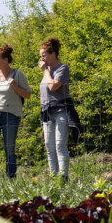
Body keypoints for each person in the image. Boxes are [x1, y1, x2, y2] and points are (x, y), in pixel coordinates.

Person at [0, 44, 31, 178]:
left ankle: (11, 178)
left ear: (6, 60)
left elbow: (27, 94)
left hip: (11, 116)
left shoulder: (17, 74)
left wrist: (14, 86)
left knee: (9, 148)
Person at [38, 37, 71, 181]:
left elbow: (52, 86)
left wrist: (45, 70)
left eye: (44, 55)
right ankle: (53, 178)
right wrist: (42, 124)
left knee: (59, 145)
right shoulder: (48, 71)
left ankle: (63, 178)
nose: (42, 59)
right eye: (41, 56)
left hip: (61, 111)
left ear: (53, 54)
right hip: (47, 113)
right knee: (49, 146)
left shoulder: (62, 68)